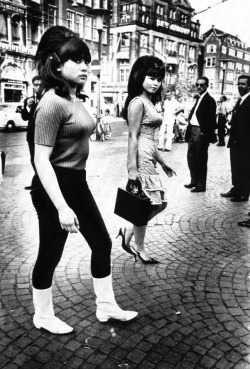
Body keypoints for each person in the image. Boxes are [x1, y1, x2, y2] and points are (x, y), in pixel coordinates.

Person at [30, 25, 137, 335]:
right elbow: (41, 161)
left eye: (87, 61)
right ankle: (43, 314)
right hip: (54, 186)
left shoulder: (74, 98)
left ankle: (105, 307)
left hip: (77, 181)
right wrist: (62, 207)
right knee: (50, 252)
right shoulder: (52, 102)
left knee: (102, 243)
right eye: (76, 60)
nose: (85, 67)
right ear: (57, 65)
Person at [118, 55, 176, 264]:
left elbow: (150, 139)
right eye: (151, 77)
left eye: (159, 79)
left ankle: (128, 231)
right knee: (147, 204)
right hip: (140, 160)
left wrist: (162, 161)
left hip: (150, 157)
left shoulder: (150, 101)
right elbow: (134, 137)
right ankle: (140, 248)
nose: (155, 82)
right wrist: (132, 168)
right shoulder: (137, 102)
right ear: (139, 76)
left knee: (157, 203)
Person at [221, 74, 250, 207]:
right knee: (235, 167)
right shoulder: (240, 100)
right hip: (235, 141)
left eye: (243, 84)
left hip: (244, 143)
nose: (240, 86)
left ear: (249, 86)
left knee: (244, 168)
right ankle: (236, 188)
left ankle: (243, 193)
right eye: (239, 83)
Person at [184, 76, 217, 192]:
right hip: (193, 130)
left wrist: (205, 132)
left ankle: (201, 185)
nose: (199, 87)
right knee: (191, 157)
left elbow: (212, 119)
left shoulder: (210, 100)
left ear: (207, 86)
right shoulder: (199, 98)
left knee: (201, 159)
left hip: (200, 132)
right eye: (197, 84)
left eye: (201, 85)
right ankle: (194, 181)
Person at [21, 75, 44, 173]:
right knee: (33, 158)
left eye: (40, 85)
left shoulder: (46, 99)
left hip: (43, 135)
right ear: (33, 86)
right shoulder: (28, 100)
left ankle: (39, 183)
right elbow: (24, 117)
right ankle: (37, 181)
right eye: (36, 85)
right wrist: (27, 107)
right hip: (31, 135)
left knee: (42, 160)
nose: (38, 87)